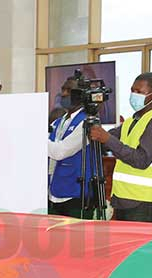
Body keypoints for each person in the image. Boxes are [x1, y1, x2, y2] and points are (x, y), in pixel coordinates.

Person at [89, 72, 152, 223]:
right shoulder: (131, 121)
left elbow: (141, 160)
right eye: (132, 90)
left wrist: (107, 139)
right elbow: (104, 142)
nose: (134, 95)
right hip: (124, 198)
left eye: (139, 92)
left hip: (145, 202)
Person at [47, 76, 98, 219]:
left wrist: (37, 137)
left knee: (77, 240)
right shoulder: (58, 122)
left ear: (81, 95)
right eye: (63, 89)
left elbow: (60, 152)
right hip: (53, 193)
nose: (63, 94)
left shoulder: (86, 123)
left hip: (76, 196)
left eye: (69, 90)